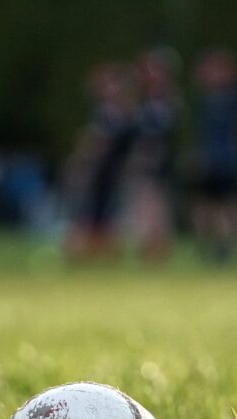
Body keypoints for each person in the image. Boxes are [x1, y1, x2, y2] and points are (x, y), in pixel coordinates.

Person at [190, 48, 237, 264]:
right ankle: (212, 246)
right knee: (206, 204)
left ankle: (236, 246)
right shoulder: (204, 100)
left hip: (231, 161)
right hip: (210, 161)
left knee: (233, 203)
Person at [63, 62, 137, 261]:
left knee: (108, 214)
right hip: (99, 172)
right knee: (90, 212)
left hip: (114, 172)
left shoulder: (124, 114)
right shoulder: (103, 112)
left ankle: (101, 253)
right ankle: (87, 253)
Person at [123, 48, 181, 262]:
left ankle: (158, 249)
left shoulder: (168, 99)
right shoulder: (142, 100)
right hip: (142, 159)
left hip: (158, 160)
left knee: (156, 203)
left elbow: (163, 131)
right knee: (142, 202)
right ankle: (147, 248)